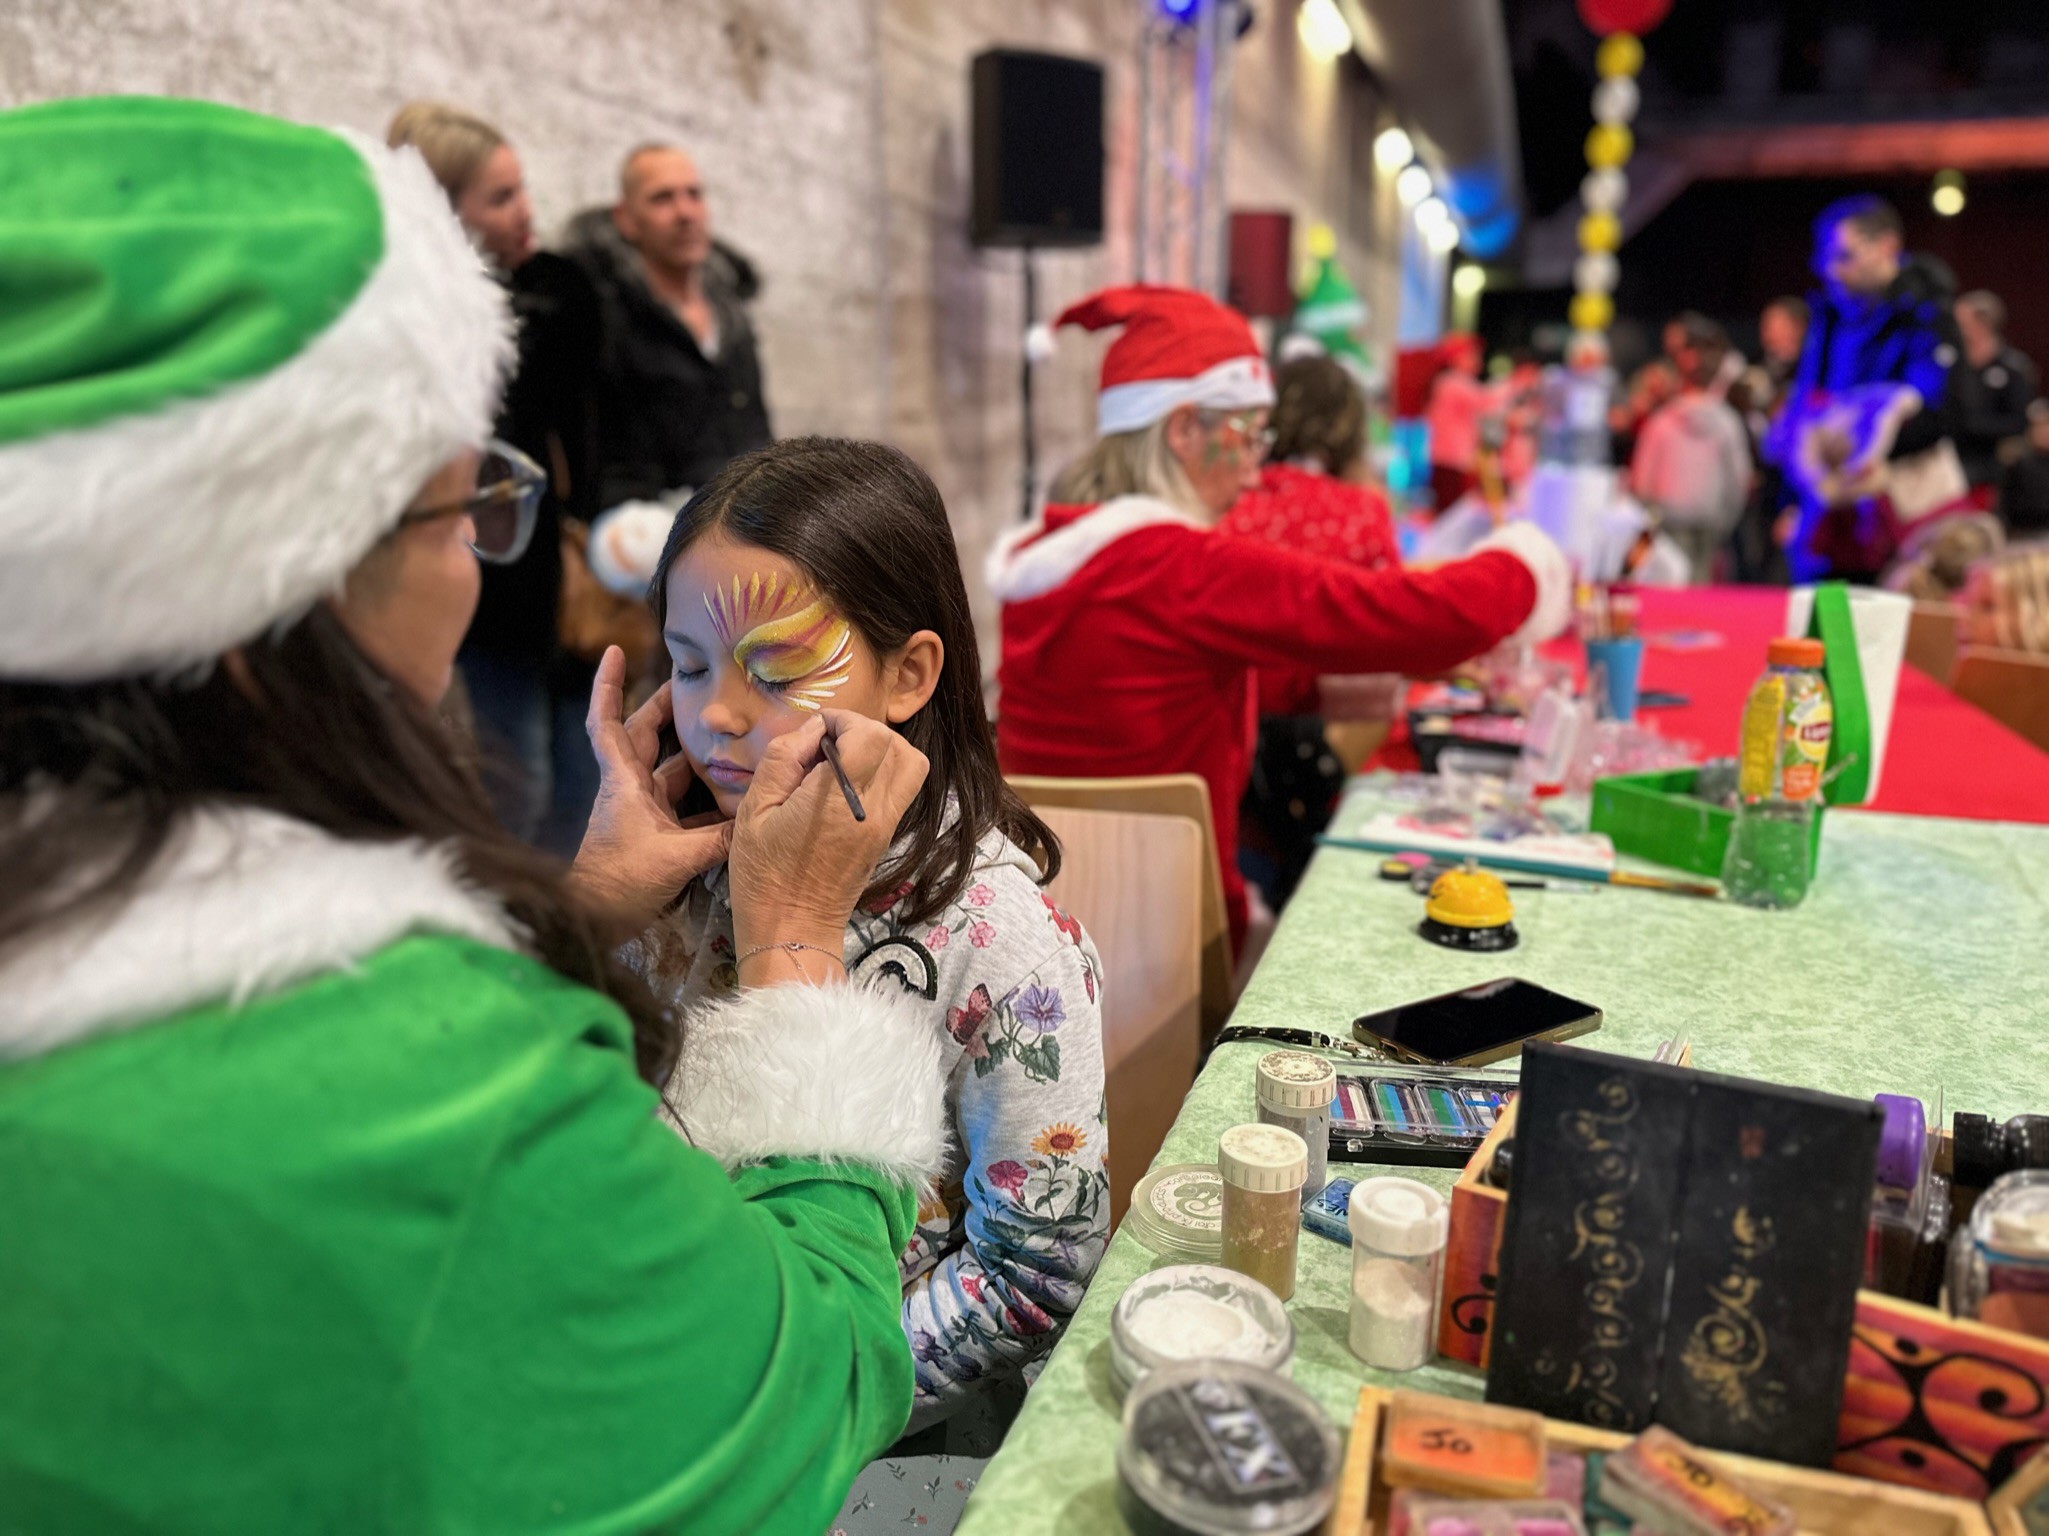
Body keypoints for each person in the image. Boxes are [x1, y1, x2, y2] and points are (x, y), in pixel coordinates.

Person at [0, 96, 948, 1536]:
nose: (476, 571)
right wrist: (802, 953)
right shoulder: (407, 1089)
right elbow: (788, 1397)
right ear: (268, 588)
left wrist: (567, 920)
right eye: (460, 515)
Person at [629, 439, 1110, 1445]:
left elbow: (1037, 1268)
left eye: (775, 670)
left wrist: (814, 1389)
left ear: (910, 674)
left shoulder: (997, 940)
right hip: (666, 1355)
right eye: (686, 664)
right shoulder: (664, 873)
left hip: (868, 1416)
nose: (713, 713)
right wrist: (585, 915)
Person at [990, 285, 1572, 955]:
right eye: (1247, 435)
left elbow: (1165, 692)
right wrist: (1529, 561)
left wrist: (1349, 680)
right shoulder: (1181, 565)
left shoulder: (1055, 553)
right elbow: (1412, 615)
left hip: (1046, 910)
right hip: (1163, 931)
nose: (1255, 466)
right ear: (1184, 431)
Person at [388, 101, 607, 855]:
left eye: (523, 189)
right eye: (501, 197)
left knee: (584, 793)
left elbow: (581, 421)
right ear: (445, 210)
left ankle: (564, 948)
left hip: (554, 573)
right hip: (483, 585)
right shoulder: (416, 319)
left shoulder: (550, 297)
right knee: (516, 800)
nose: (527, 213)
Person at [1220, 356, 1403, 905]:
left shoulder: (1228, 501)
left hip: (1230, 749)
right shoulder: (1361, 509)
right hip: (1326, 752)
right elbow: (1393, 628)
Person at [565, 142, 773, 509]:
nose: (685, 212)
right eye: (662, 198)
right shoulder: (608, 318)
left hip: (750, 525)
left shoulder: (733, 315)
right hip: (651, 535)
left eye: (694, 195)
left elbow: (756, 432)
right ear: (627, 219)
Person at [1775, 195, 1963, 582]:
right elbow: (1807, 404)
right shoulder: (1827, 319)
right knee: (1824, 624)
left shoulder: (1926, 314)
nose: (1832, 271)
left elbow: (1944, 410)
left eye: (1845, 256)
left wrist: (1862, 438)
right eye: (1826, 258)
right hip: (1831, 519)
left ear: (1888, 247)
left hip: (1903, 517)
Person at [1629, 314, 1752, 583]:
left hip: (1669, 516)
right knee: (1701, 586)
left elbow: (1642, 478)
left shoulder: (1661, 421)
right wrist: (1726, 518)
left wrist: (1650, 509)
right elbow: (1738, 477)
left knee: (1672, 585)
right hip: (1709, 517)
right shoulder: (1727, 422)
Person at [1729, 296, 1808, 582]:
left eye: (1773, 326)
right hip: (1762, 486)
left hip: (1795, 486)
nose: (1766, 334)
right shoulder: (1757, 370)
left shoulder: (1810, 372)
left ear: (1797, 327)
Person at [1951, 290, 2039, 494]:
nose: (1955, 327)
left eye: (1962, 321)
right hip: (1951, 466)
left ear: (1982, 324)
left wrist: (1970, 425)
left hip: (1991, 470)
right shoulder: (1952, 363)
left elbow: (2019, 422)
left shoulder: (2013, 368)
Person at [2000, 400, 2049, 539]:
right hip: (2024, 532)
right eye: (2038, 428)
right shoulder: (2018, 464)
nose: (2043, 433)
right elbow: (2006, 503)